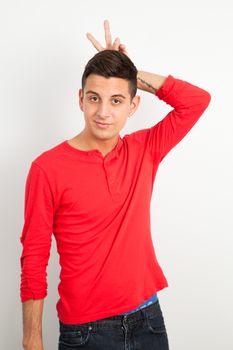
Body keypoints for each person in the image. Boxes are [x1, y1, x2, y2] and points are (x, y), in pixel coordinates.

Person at [19, 19, 211, 350]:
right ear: (81, 99)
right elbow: (34, 258)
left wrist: (131, 72)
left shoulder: (145, 149)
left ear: (133, 105)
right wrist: (32, 340)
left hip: (149, 319)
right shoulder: (47, 168)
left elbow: (197, 101)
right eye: (94, 98)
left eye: (117, 100)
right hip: (87, 331)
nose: (104, 112)